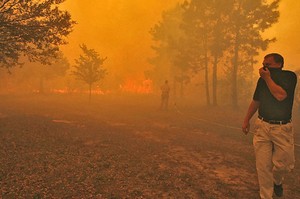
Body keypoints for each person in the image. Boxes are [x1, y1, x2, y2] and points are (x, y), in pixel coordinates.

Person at [242, 53, 297, 199]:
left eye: (268, 65)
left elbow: (280, 96)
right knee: (263, 167)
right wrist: (246, 119)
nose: (263, 68)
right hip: (262, 126)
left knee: (285, 165)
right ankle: (266, 196)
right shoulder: (262, 81)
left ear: (279, 64)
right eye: (263, 64)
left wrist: (267, 78)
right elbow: (256, 101)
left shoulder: (289, 77)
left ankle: (277, 181)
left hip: (282, 128)